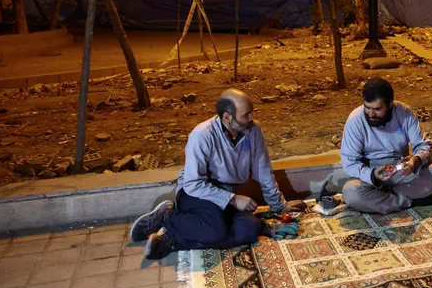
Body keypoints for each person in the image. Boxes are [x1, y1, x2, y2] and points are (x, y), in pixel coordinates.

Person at [129, 89, 306, 260]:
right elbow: (193, 184)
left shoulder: (253, 130)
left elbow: (263, 169)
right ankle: (165, 217)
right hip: (197, 194)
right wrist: (233, 199)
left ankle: (174, 240)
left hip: (227, 196)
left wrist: (279, 205)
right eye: (246, 115)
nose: (251, 118)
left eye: (251, 113)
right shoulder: (201, 135)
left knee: (251, 229)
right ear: (227, 117)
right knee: (215, 229)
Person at [340, 78, 432, 213]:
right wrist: (374, 174)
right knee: (351, 193)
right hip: (371, 175)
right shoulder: (355, 120)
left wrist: (415, 161)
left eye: (377, 109)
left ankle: (386, 199)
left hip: (400, 171)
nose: (371, 114)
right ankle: (412, 201)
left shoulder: (404, 112)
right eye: (367, 108)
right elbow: (350, 163)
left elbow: (423, 145)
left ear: (390, 104)